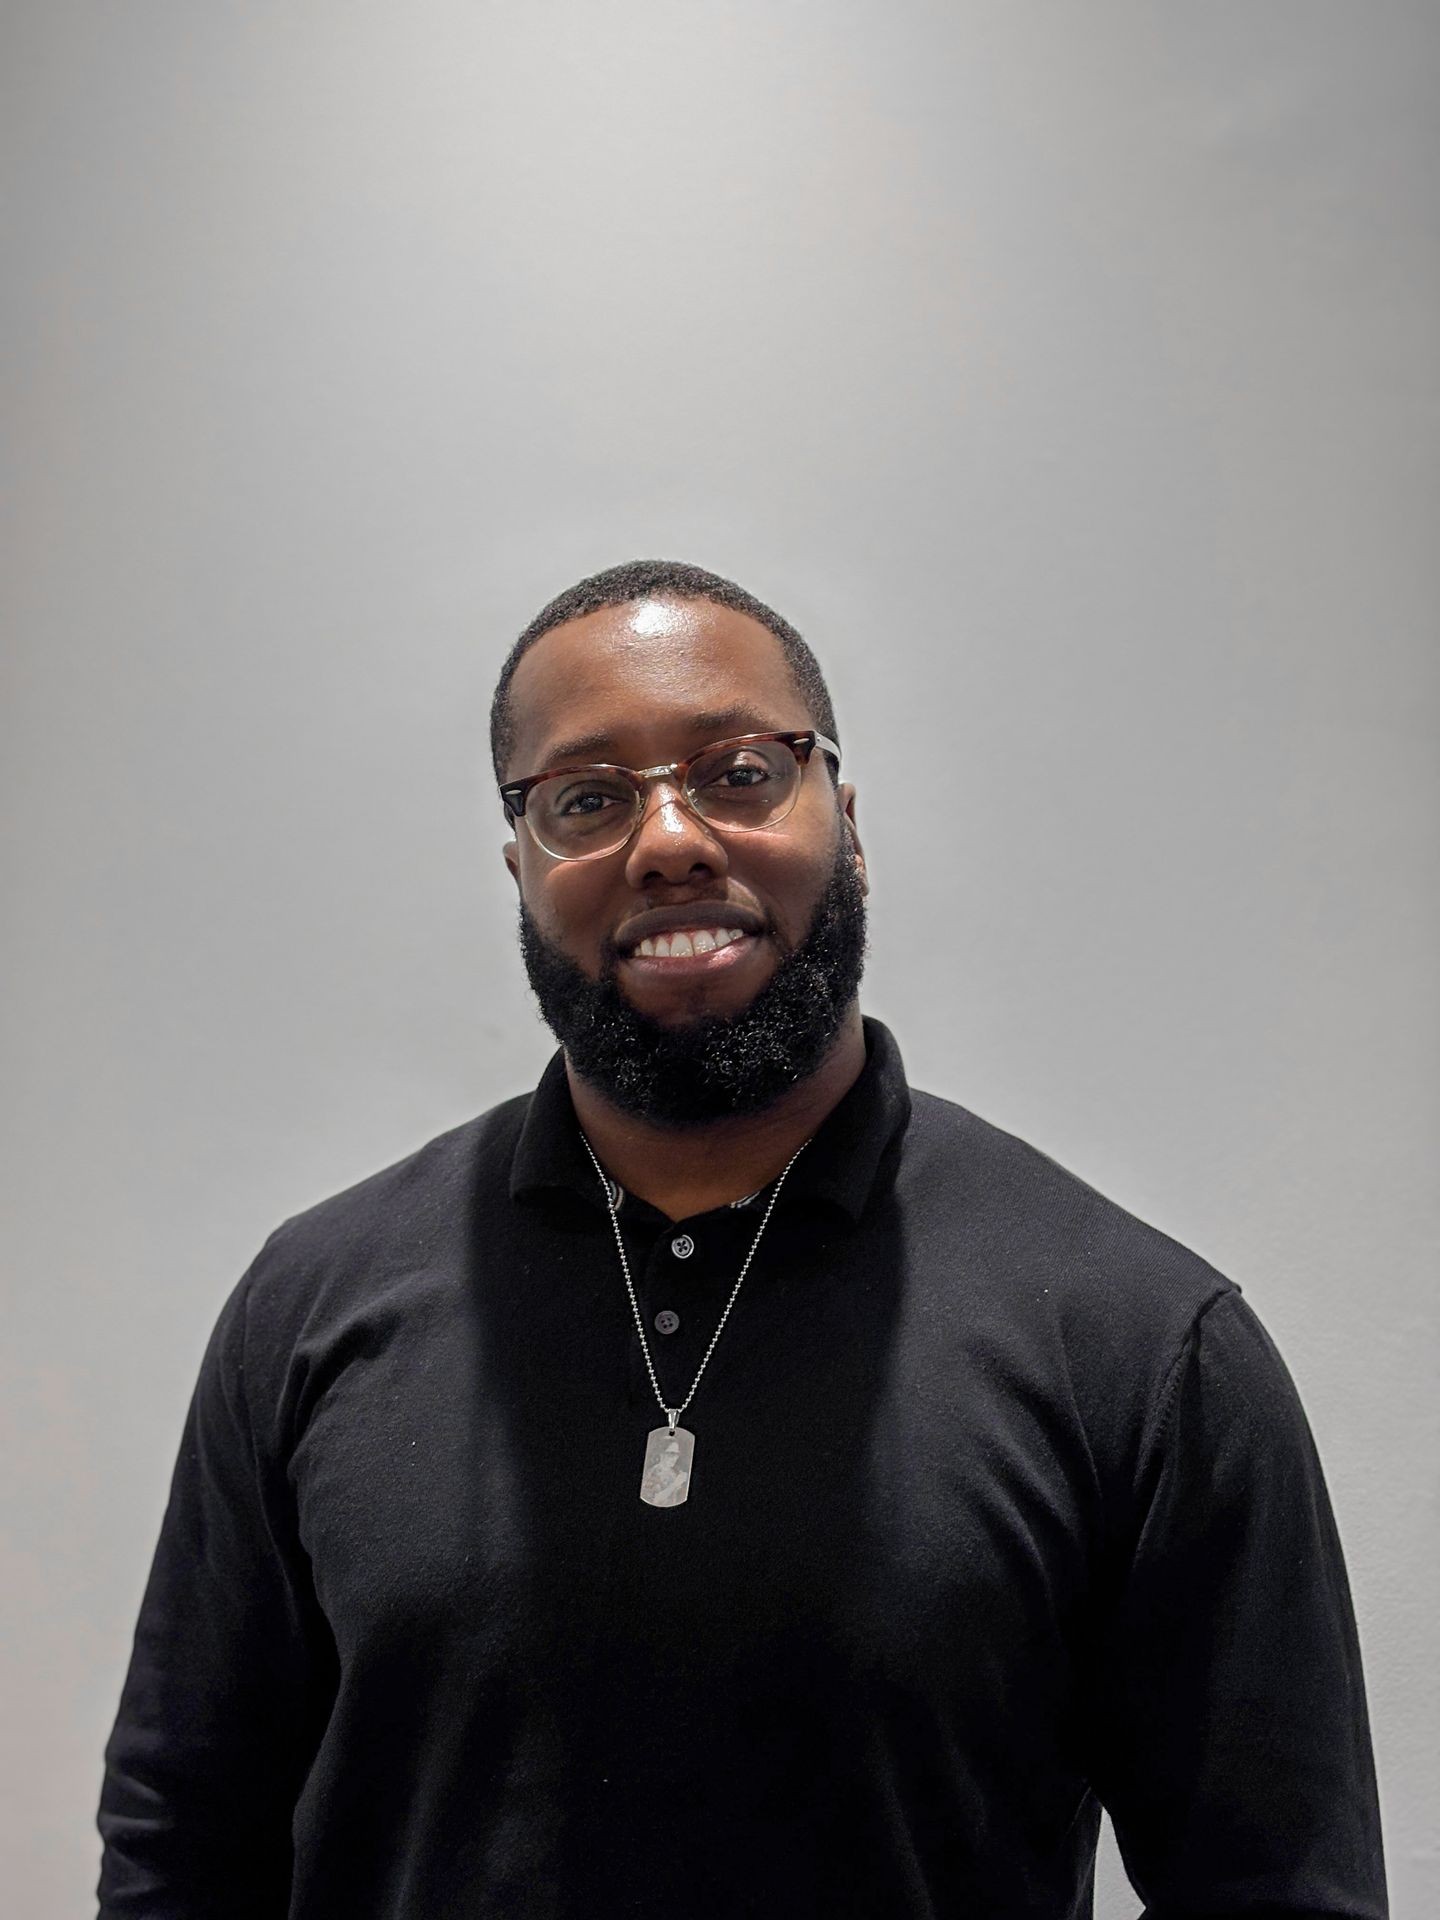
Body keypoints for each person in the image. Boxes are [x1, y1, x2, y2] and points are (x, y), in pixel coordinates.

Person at [97, 559, 1388, 1918]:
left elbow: (1278, 1883)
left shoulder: (1142, 1345)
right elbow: (184, 1834)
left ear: (848, 817)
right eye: (586, 799)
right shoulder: (314, 1304)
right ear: (520, 869)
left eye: (739, 771)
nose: (667, 841)